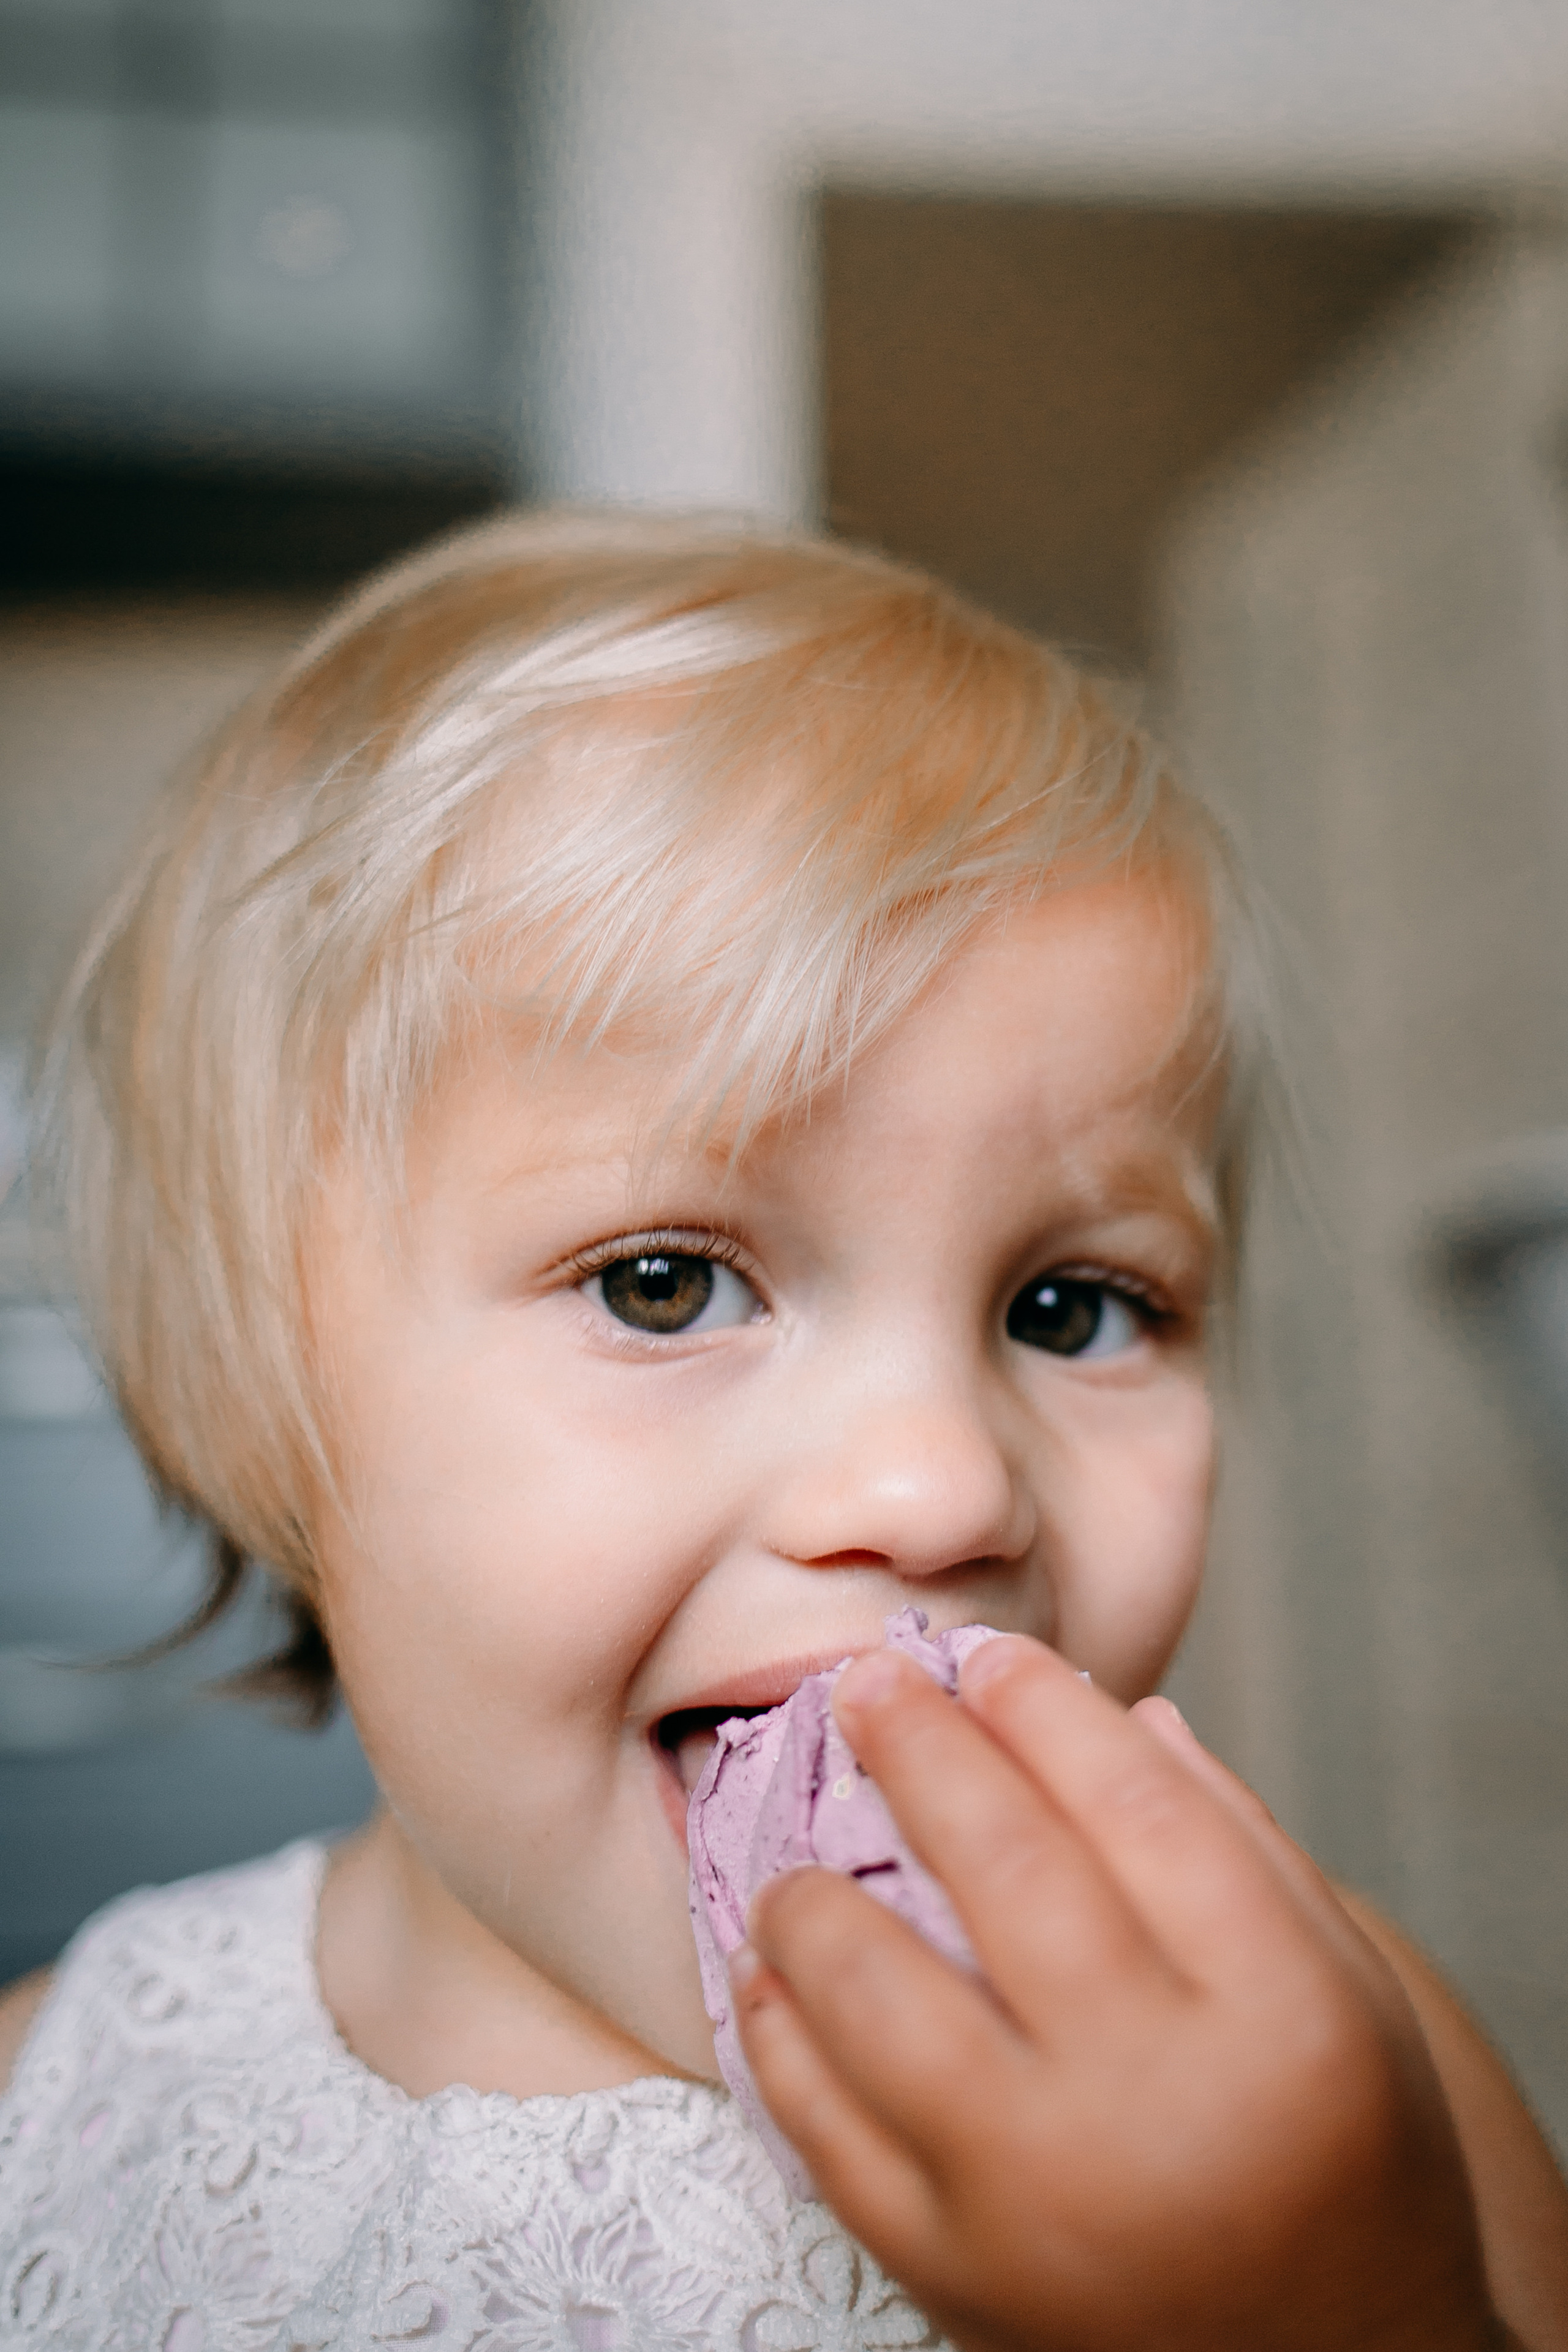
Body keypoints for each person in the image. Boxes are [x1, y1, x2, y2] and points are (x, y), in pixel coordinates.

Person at [0, 511, 1563, 2350]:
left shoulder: (1339, 2069)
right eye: (665, 1284)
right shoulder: (50, 2103)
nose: (946, 1484)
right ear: (249, 1390)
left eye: (1074, 1308)